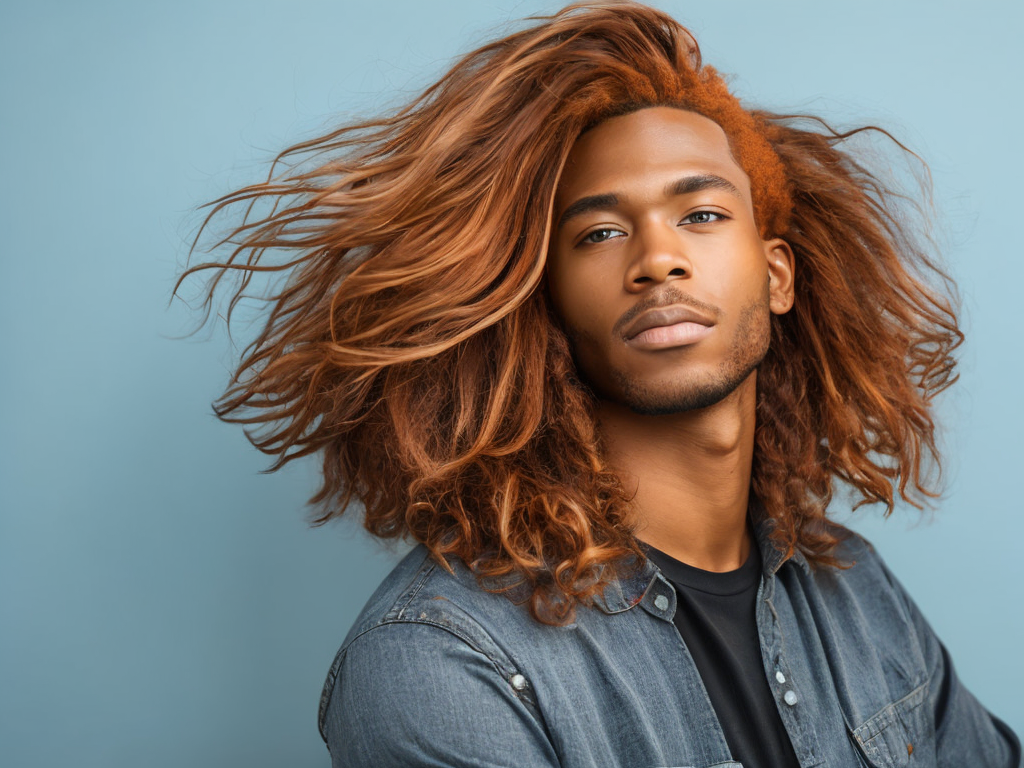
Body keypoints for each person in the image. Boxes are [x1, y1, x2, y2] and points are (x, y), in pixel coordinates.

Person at [181, 2, 1021, 766]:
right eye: (601, 232)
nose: (657, 259)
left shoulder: (854, 590)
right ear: (543, 302)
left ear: (778, 276)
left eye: (700, 214)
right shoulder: (443, 662)